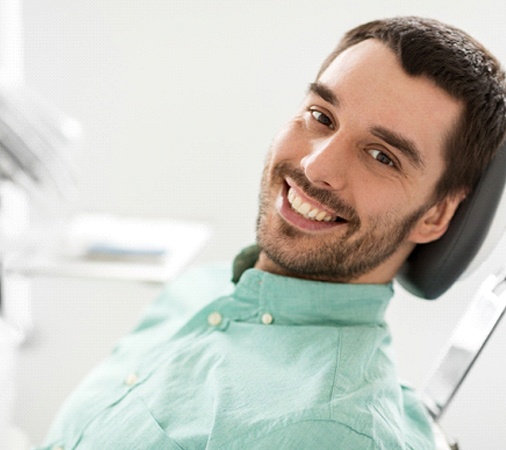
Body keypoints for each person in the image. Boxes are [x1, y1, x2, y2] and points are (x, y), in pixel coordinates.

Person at [38, 16, 506, 449]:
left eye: (382, 156)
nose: (315, 165)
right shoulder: (199, 288)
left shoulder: (332, 432)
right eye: (322, 116)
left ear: (436, 216)